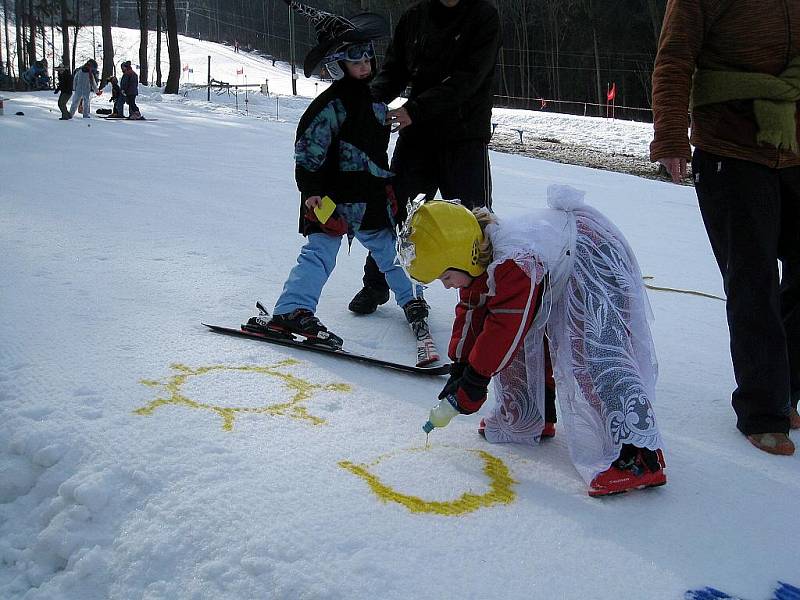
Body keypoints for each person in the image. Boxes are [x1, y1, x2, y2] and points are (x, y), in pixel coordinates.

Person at [398, 186, 667, 497]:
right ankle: (530, 416)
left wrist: (475, 380)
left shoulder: (513, 261)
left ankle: (642, 457)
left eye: (445, 278)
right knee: (523, 345)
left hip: (593, 259)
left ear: (463, 257)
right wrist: (460, 367)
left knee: (595, 354)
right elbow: (472, 312)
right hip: (563, 260)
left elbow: (504, 328)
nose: (447, 287)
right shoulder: (476, 260)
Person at [246, 0, 437, 364]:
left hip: (370, 198)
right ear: (338, 65)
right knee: (319, 254)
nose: (365, 67)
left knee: (389, 254)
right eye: (356, 61)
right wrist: (312, 190)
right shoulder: (329, 107)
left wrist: (388, 185)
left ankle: (410, 300)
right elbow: (308, 152)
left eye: (368, 59)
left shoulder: (376, 102)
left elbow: (376, 151)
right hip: (332, 199)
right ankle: (292, 309)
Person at [650, 0, 799, 456]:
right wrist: (672, 137)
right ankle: (763, 410)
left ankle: (783, 387)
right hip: (730, 149)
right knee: (753, 280)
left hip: (791, 144)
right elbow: (674, 60)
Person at [348, 0, 502, 316]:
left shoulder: (484, 17)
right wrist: (363, 102)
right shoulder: (414, 18)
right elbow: (393, 71)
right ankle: (376, 284)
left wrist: (414, 110)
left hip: (464, 137)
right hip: (418, 137)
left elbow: (468, 79)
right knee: (396, 214)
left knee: (476, 223)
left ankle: (485, 300)